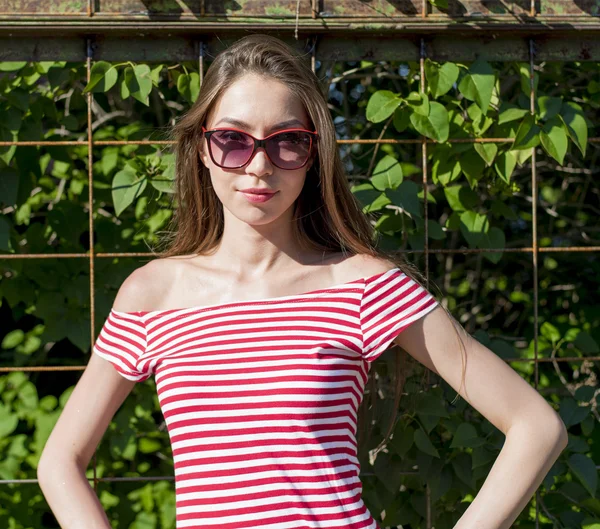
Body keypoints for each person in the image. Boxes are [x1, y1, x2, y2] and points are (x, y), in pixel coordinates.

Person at [38, 34, 568, 529]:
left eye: (288, 141)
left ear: (313, 154)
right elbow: (60, 461)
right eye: (233, 140)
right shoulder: (151, 295)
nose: (260, 165)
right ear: (202, 148)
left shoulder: (365, 286)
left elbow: (536, 427)